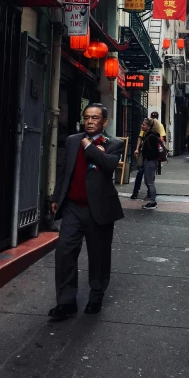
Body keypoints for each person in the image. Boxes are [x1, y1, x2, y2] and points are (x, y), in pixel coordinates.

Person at [48, 104, 124, 320]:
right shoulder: (73, 140)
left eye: (95, 118)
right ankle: (66, 302)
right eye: (87, 117)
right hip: (73, 207)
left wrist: (89, 147)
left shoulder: (114, 143)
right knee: (64, 252)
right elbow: (65, 170)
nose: (90, 121)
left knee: (99, 256)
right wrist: (56, 197)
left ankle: (96, 296)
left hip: (98, 209)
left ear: (104, 122)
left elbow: (109, 165)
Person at [130, 111, 166, 200]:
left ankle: (140, 193)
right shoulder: (158, 126)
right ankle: (148, 194)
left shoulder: (152, 131)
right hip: (147, 154)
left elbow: (140, 138)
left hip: (148, 155)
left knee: (143, 174)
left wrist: (138, 148)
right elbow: (162, 138)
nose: (142, 126)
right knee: (148, 176)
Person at [141, 117, 160, 210]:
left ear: (148, 127)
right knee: (147, 181)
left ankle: (152, 202)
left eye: (143, 125)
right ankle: (151, 200)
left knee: (150, 182)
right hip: (149, 161)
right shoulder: (150, 135)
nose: (142, 126)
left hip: (150, 161)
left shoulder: (151, 136)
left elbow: (153, 151)